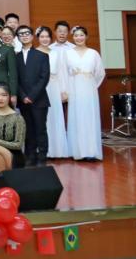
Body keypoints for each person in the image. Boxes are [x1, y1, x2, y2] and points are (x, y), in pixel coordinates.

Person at [65, 26, 105, 161]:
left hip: (89, 91)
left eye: (81, 35)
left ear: (86, 36)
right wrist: (67, 90)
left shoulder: (93, 53)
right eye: (76, 35)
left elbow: (100, 73)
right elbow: (64, 74)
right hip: (74, 90)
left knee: (90, 119)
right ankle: (77, 151)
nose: (79, 38)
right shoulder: (68, 53)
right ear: (73, 37)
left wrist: (92, 86)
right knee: (76, 118)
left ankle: (91, 151)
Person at [16, 26, 50, 166]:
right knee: (28, 129)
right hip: (23, 100)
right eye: (21, 34)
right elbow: (16, 79)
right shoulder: (16, 57)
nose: (24, 36)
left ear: (31, 36)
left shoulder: (42, 55)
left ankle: (42, 156)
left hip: (39, 99)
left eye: (27, 33)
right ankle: (30, 155)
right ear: (18, 38)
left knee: (40, 129)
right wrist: (23, 96)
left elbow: (44, 78)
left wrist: (32, 96)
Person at [36, 26, 68, 159]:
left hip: (54, 87)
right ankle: (42, 150)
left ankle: (57, 150)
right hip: (40, 88)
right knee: (41, 118)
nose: (45, 39)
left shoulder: (55, 53)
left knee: (55, 116)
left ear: (51, 38)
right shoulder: (34, 53)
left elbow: (61, 73)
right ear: (38, 38)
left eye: (47, 37)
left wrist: (63, 90)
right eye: (42, 37)